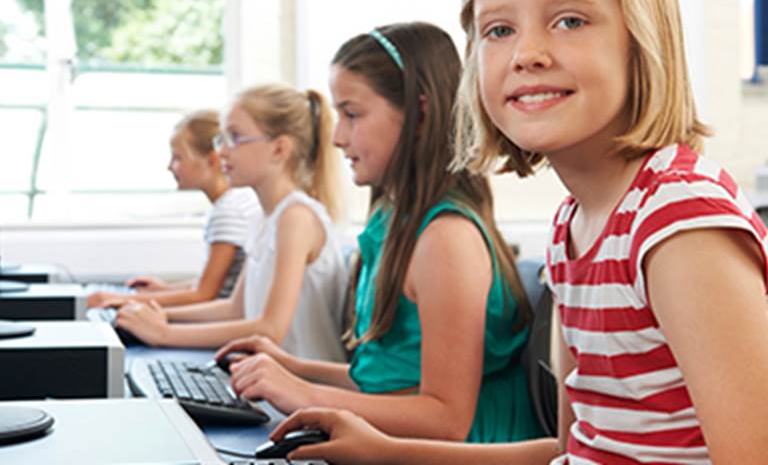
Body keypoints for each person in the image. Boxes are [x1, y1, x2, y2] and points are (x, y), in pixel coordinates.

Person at [267, 0, 768, 465]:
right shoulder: (573, 226)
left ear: (642, 40)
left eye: (570, 21)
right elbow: (570, 452)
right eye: (499, 29)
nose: (527, 53)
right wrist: (384, 451)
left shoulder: (678, 221)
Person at [215, 22, 541, 444]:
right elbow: (389, 381)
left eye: (351, 114)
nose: (336, 137)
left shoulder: (446, 238)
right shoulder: (395, 224)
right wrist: (293, 367)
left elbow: (446, 418)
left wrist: (305, 394)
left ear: (419, 114)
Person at [116, 84, 350, 362]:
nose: (223, 152)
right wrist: (155, 314)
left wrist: (164, 333)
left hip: (301, 390)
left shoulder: (296, 218)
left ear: (279, 149)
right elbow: (234, 310)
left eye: (235, 138)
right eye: (221, 139)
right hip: (265, 378)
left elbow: (270, 329)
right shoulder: (264, 217)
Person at [87, 110, 261, 310]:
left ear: (213, 160)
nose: (170, 167)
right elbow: (211, 285)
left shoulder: (229, 211)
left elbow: (203, 295)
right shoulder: (235, 202)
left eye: (178, 158)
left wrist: (118, 300)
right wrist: (164, 289)